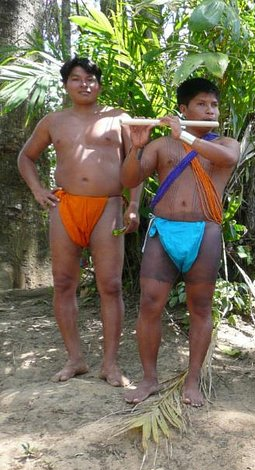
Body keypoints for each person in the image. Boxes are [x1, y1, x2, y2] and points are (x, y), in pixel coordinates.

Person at [17, 57, 141, 386]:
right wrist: (38, 189)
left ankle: (110, 364)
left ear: (99, 84)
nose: (84, 84)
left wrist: (135, 205)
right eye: (76, 79)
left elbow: (135, 163)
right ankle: (75, 359)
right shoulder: (53, 121)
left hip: (108, 206)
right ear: (66, 85)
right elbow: (26, 157)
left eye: (90, 78)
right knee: (63, 284)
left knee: (110, 286)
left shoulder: (119, 119)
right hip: (66, 206)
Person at [121, 78, 241, 407]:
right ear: (184, 109)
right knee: (150, 304)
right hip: (164, 232)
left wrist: (185, 135)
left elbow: (227, 159)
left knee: (200, 308)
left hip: (205, 232)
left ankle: (193, 382)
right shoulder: (161, 146)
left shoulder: (227, 143)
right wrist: (137, 147)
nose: (210, 109)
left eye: (214, 105)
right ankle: (149, 379)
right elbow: (129, 179)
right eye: (202, 104)